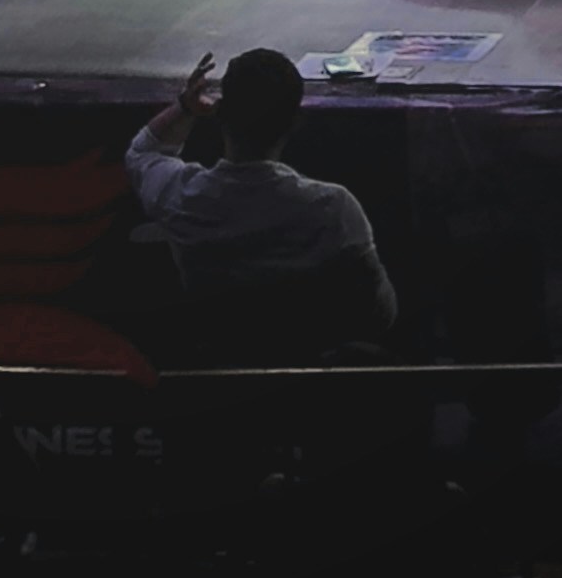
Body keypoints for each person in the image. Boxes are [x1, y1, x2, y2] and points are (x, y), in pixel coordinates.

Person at [127, 47, 397, 352]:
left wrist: (185, 107)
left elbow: (142, 152)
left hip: (220, 363)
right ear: (296, 121)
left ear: (219, 112)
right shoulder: (333, 209)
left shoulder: (181, 198)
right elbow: (380, 314)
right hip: (311, 365)